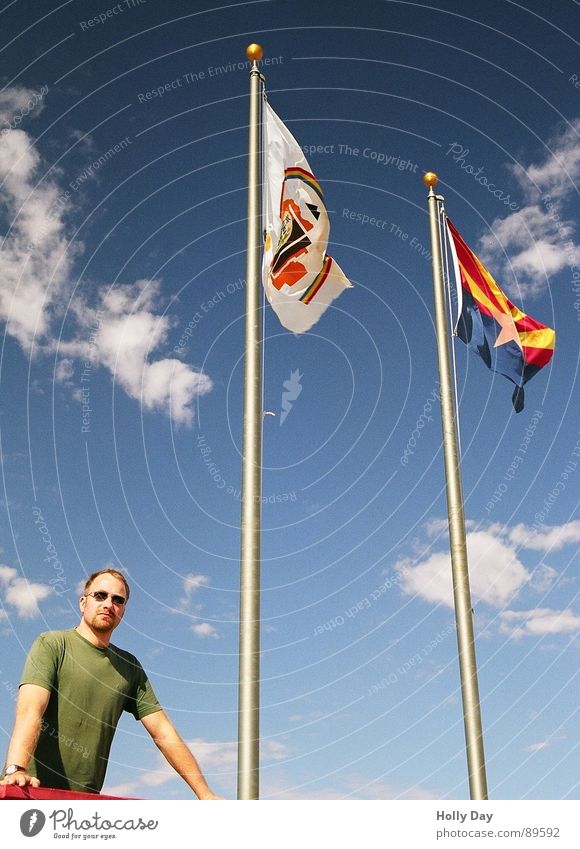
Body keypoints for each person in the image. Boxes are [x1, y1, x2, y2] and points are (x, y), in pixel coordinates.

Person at [1, 568, 221, 799]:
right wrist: (17, 768)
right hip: (27, 792)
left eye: (118, 600)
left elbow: (163, 731)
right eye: (100, 595)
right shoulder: (53, 644)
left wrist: (205, 794)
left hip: (84, 803)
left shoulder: (129, 667)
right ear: (83, 602)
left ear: (123, 610)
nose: (109, 604)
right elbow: (30, 708)